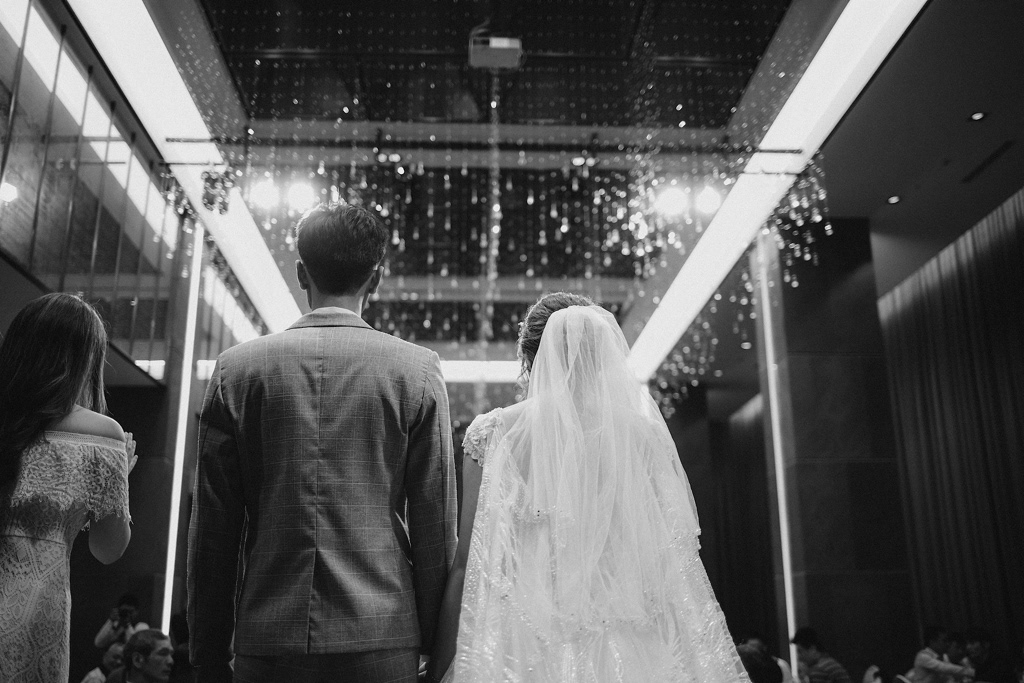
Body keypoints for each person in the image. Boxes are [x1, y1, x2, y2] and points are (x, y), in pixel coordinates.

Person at [188, 202, 457, 683]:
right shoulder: (416, 371)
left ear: (300, 273)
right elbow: (435, 527)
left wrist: (207, 652)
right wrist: (438, 647)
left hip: (267, 637)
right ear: (376, 278)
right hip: (382, 637)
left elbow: (213, 528)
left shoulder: (237, 371)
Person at [427, 294, 750, 682]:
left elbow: (468, 566)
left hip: (525, 644)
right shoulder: (641, 436)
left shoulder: (494, 433)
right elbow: (668, 565)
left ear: (529, 358)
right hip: (629, 645)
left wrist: (438, 668)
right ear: (601, 356)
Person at [0, 293, 135, 682]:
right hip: (37, 610)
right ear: (87, 360)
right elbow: (108, 549)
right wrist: (120, 477)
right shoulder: (101, 434)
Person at [907, 626, 974, 683]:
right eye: (944, 641)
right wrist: (972, 672)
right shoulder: (923, 656)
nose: (947, 644)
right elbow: (944, 668)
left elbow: (948, 678)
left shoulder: (942, 657)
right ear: (932, 641)